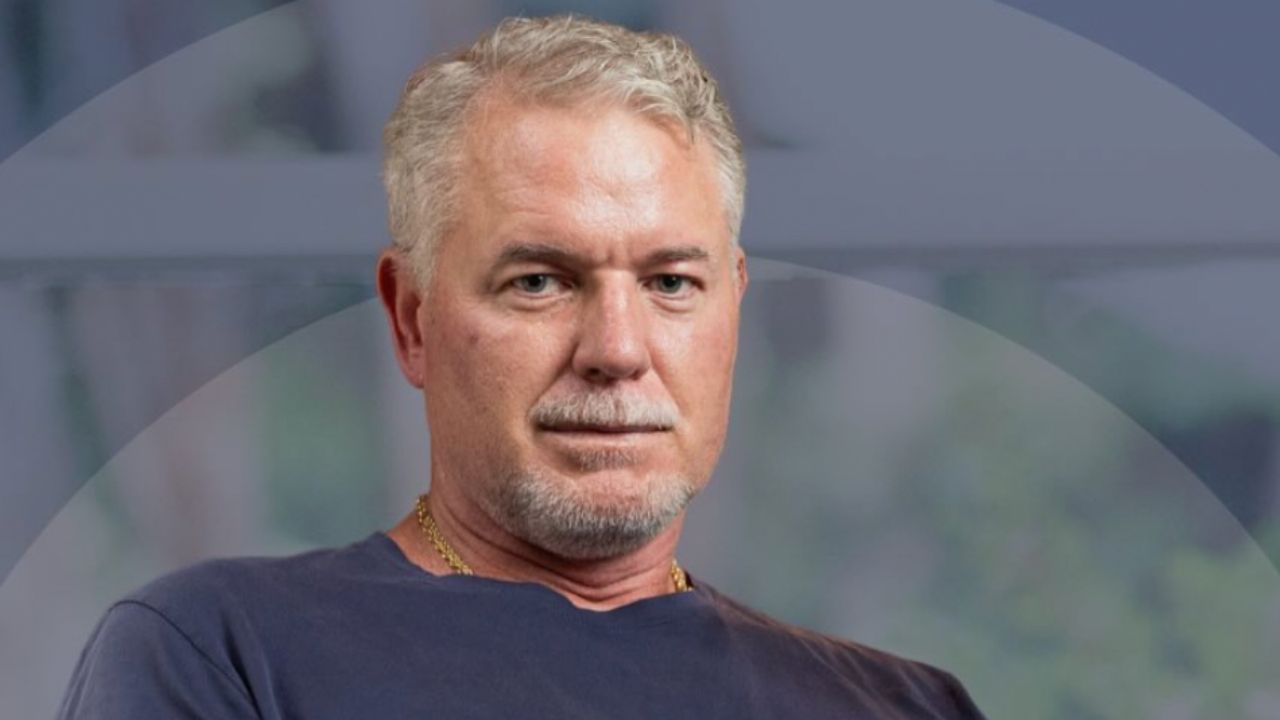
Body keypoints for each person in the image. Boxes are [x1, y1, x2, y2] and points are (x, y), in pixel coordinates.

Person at [59, 15, 986, 719]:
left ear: (732, 309)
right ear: (412, 317)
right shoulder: (221, 654)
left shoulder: (903, 705)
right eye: (539, 281)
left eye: (670, 282)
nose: (617, 350)